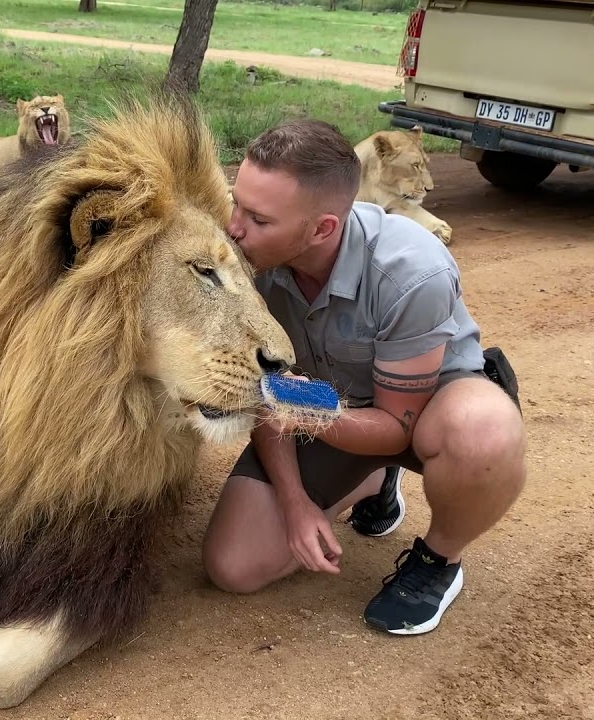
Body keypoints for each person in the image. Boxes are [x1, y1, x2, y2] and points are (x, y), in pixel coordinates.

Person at [202, 118, 527, 636]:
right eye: (236, 203)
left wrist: (289, 399)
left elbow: (394, 425)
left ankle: (438, 561)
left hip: (418, 418)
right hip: (330, 410)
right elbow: (267, 389)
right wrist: (294, 501)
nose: (234, 228)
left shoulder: (412, 269)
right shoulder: (247, 260)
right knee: (234, 566)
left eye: (258, 219)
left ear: (322, 228)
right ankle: (372, 478)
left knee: (484, 430)